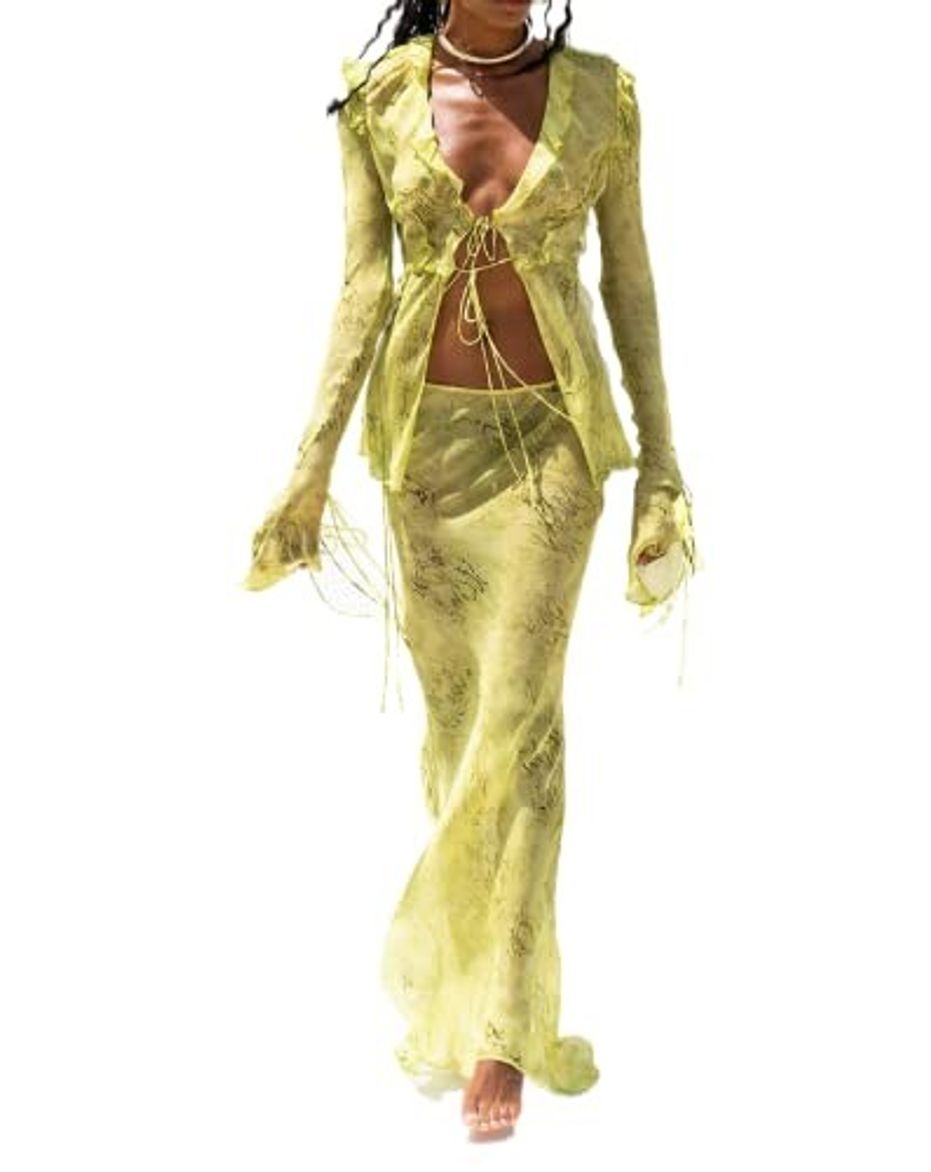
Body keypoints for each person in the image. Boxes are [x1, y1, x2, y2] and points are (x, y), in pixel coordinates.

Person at [242, 0, 701, 1142]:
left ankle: (502, 1021)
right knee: (456, 729)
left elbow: (630, 283)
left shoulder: (601, 98)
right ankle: (457, 985)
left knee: (521, 721)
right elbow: (363, 286)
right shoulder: (380, 100)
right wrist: (307, 473)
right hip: (425, 459)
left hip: (553, 446)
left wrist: (661, 469)